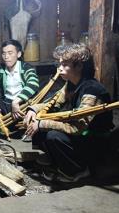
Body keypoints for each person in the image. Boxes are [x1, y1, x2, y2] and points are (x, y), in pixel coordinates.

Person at [24, 43, 114, 182]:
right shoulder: (72, 84)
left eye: (65, 65)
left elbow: (77, 127)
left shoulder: (92, 91)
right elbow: (53, 104)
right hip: (82, 135)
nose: (59, 68)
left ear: (79, 66)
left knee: (53, 135)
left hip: (95, 139)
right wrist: (33, 110)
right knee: (38, 127)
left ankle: (78, 170)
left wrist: (42, 124)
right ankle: (56, 160)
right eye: (59, 64)